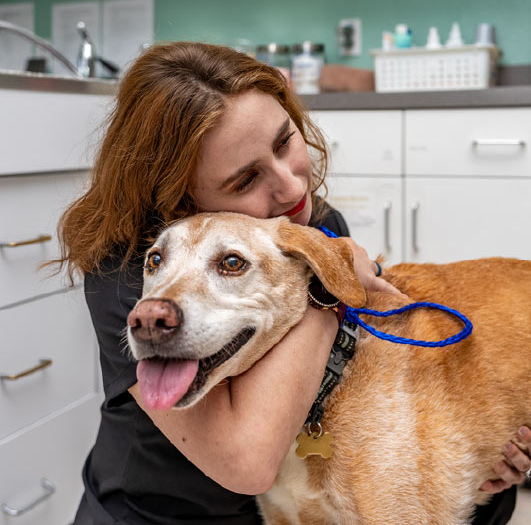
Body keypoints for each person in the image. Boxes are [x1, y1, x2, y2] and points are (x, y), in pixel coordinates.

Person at [56, 42, 531, 525]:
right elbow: (248, 460)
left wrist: (477, 440)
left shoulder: (311, 225)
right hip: (152, 514)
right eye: (245, 180)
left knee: (493, 504)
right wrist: (330, 275)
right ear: (180, 194)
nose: (293, 188)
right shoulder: (127, 273)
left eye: (284, 142)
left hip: (274, 507)